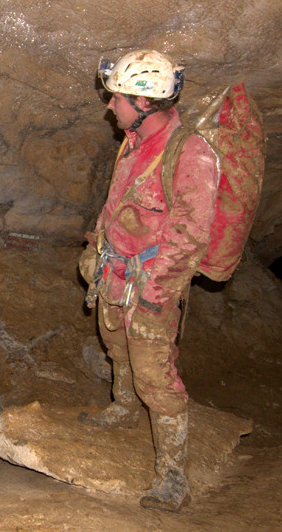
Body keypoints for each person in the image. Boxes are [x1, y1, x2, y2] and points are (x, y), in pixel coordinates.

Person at [78, 50, 217, 513]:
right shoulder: (132, 142)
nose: (109, 107)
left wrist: (158, 297)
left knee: (155, 374)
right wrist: (96, 246)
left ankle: (173, 476)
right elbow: (116, 202)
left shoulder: (189, 152)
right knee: (114, 342)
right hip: (116, 272)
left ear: (143, 102)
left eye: (116, 98)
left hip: (151, 281)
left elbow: (191, 234)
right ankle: (121, 406)